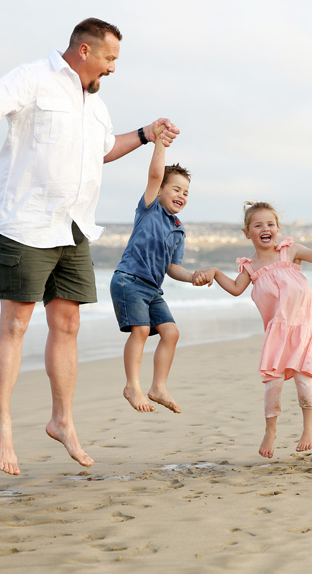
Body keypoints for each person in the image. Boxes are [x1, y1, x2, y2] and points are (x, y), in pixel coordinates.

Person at [0, 17, 180, 476]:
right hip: (26, 223)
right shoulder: (34, 78)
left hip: (74, 228)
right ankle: (1, 424)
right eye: (109, 58)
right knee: (16, 323)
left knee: (68, 323)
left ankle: (61, 420)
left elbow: (104, 149)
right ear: (85, 51)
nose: (113, 68)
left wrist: (147, 133)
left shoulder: (96, 105)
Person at [202, 202, 312, 458]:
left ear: (277, 228)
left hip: (304, 326)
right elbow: (235, 289)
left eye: (270, 224)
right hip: (277, 333)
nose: (265, 228)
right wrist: (215, 272)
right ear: (247, 233)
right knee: (272, 382)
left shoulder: (290, 251)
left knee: (304, 378)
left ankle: (309, 427)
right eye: (258, 225)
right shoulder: (250, 267)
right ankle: (270, 430)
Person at [110, 124, 210, 414]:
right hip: (129, 280)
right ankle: (132, 386)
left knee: (171, 332)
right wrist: (160, 143)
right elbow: (155, 174)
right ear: (161, 190)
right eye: (176, 189)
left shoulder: (178, 229)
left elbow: (172, 268)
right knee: (141, 330)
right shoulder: (149, 208)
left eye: (186, 192)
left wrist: (193, 277)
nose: (182, 195)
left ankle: (158, 387)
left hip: (152, 289)